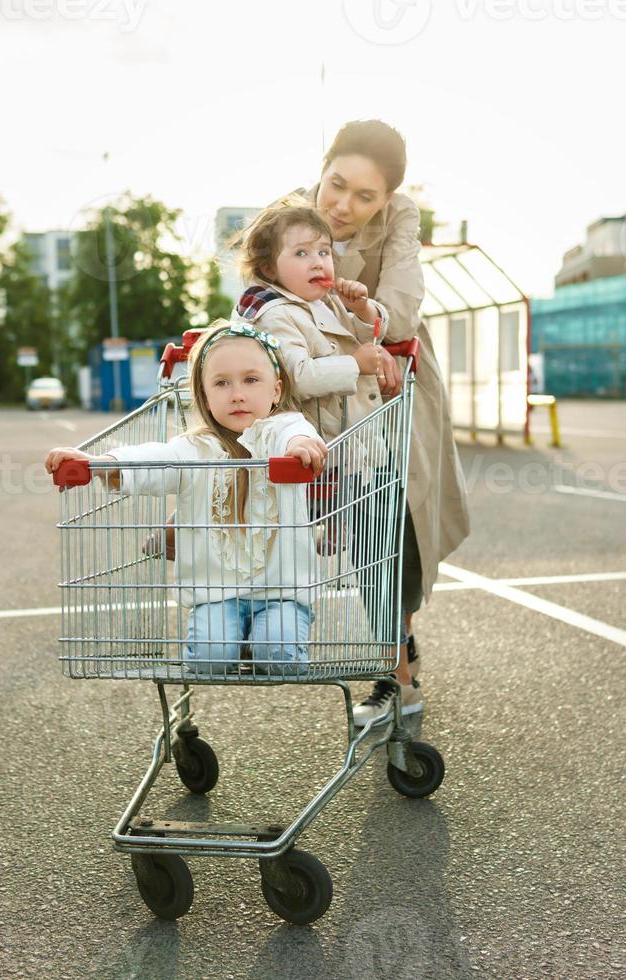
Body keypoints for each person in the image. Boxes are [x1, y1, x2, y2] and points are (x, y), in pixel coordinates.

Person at [284, 119, 470, 724]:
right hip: (311, 375)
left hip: (391, 382)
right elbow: (258, 294)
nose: (344, 206)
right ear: (321, 167)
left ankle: (396, 666)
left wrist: (367, 324)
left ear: (387, 198)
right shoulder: (288, 215)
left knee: (392, 529)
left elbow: (403, 312)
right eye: (336, 186)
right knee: (315, 511)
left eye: (366, 197)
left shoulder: (401, 221)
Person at [45, 322, 327, 676]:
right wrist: (101, 464)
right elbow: (154, 458)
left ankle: (263, 637)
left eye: (251, 380)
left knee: (278, 658)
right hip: (215, 591)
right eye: (222, 383)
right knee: (210, 661)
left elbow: (298, 433)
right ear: (204, 396)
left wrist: (301, 446)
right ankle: (233, 637)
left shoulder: (283, 429)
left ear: (276, 389)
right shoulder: (195, 448)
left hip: (281, 590)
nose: (237, 394)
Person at [231, 203, 424, 710]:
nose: (320, 261)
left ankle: (396, 670)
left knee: (380, 561)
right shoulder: (274, 313)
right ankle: (260, 630)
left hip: (358, 453)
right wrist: (355, 362)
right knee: (357, 561)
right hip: (321, 455)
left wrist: (364, 312)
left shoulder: (326, 302)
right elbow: (293, 375)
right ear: (271, 268)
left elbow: (371, 338)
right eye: (302, 253)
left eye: (323, 251)